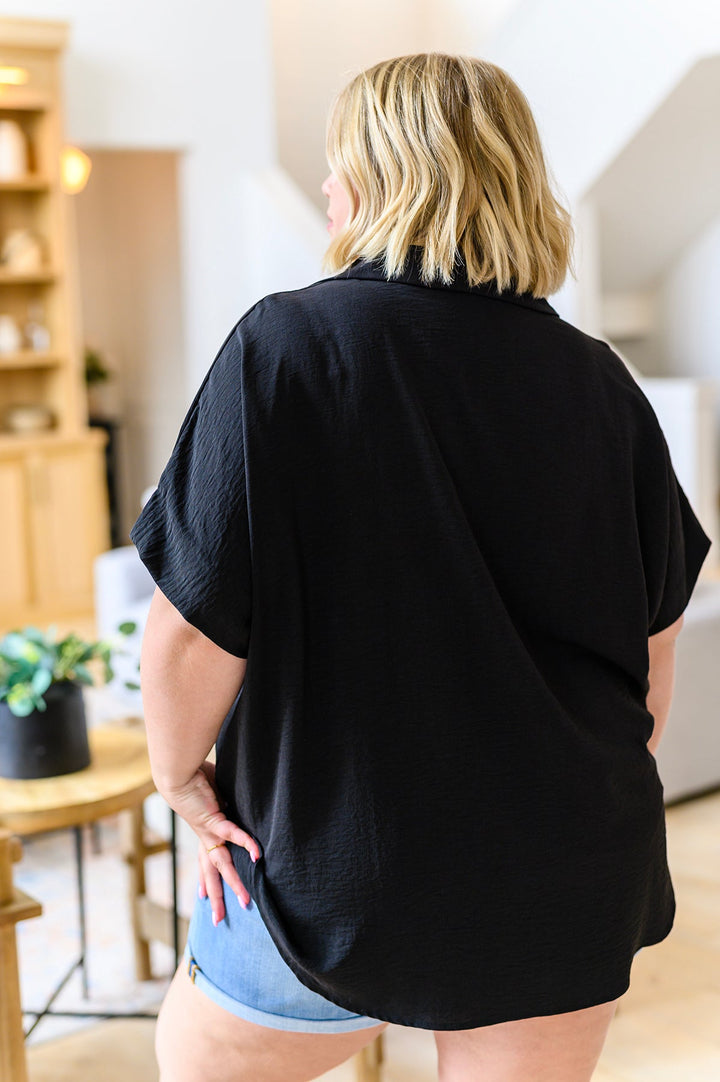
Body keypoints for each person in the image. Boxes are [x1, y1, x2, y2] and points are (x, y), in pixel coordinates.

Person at [129, 52, 712, 1082]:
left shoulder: (284, 348)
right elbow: (651, 658)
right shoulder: (599, 382)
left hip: (336, 875)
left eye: (339, 162)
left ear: (383, 176)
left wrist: (179, 776)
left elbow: (187, 629)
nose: (323, 187)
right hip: (564, 874)